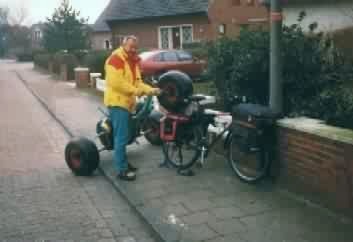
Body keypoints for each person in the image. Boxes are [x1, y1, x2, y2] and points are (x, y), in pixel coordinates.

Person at [104, 36, 160, 181]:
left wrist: (150, 90)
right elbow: (116, 83)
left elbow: (138, 82)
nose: (133, 50)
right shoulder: (116, 59)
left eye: (135, 47)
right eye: (131, 47)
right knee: (121, 137)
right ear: (124, 45)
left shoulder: (133, 61)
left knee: (126, 135)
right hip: (117, 103)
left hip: (127, 104)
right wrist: (135, 91)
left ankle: (123, 162)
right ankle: (121, 170)